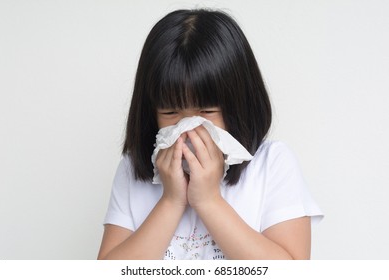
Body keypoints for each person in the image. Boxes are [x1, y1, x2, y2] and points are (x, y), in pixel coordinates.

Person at [97, 9, 323, 260]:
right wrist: (171, 201)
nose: (189, 127)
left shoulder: (272, 165)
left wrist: (208, 201)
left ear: (239, 104)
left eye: (206, 111)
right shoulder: (133, 171)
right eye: (171, 112)